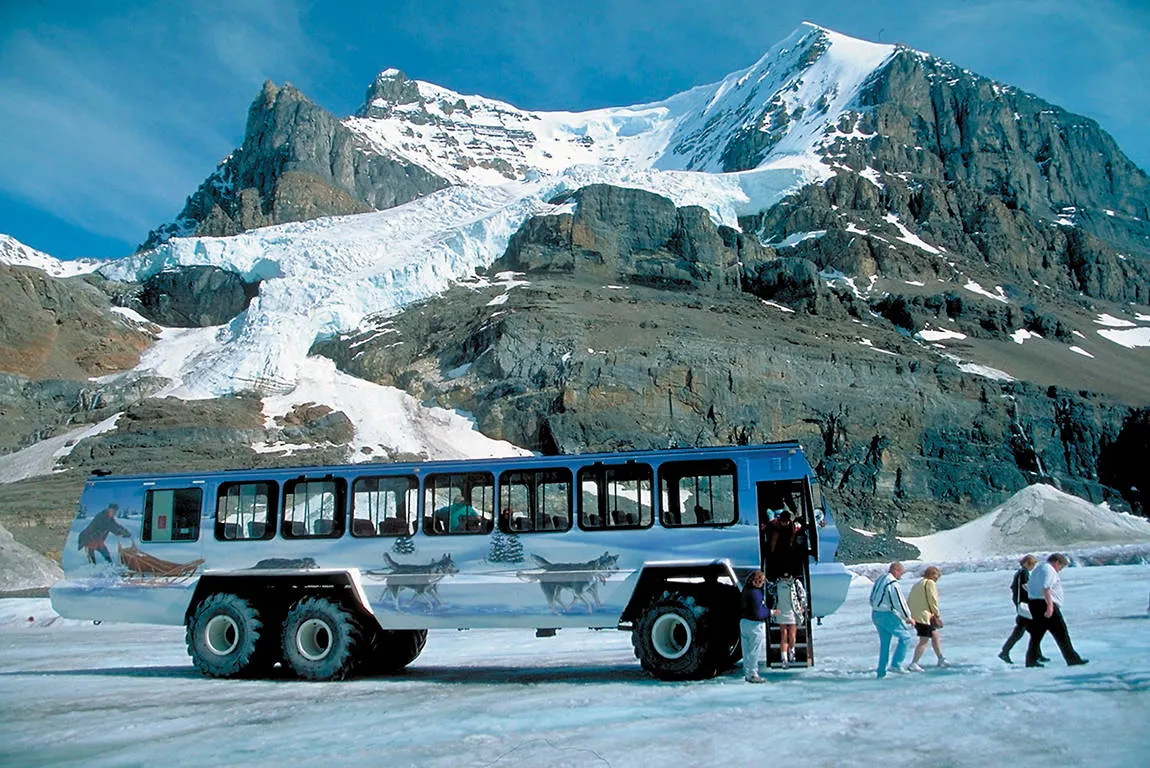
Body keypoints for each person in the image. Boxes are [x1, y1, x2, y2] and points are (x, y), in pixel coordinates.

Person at [1025, 553, 1088, 668]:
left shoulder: (1039, 568)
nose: (1059, 570)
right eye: (1061, 567)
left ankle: (1031, 659)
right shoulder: (1049, 569)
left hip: (1035, 603)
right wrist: (1050, 606)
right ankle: (1072, 659)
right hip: (1045, 604)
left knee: (1037, 634)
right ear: (1057, 562)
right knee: (1061, 633)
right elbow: (1045, 587)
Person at [998, 555, 1049, 664]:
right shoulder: (1023, 573)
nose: (1033, 566)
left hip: (1022, 605)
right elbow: (1026, 587)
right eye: (1032, 564)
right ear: (1027, 563)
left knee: (1030, 631)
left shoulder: (1020, 573)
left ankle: (1036, 654)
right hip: (1025, 606)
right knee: (1026, 632)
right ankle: (1005, 652)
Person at [870, 561, 915, 677]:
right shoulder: (892, 583)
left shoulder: (880, 579)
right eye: (901, 573)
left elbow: (872, 596)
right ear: (896, 571)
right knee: (905, 637)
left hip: (876, 614)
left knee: (885, 643)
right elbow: (899, 602)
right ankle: (896, 664)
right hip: (886, 615)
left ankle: (881, 672)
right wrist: (908, 617)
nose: (901, 576)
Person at [907, 566, 949, 670]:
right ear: (933, 575)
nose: (937, 579)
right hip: (924, 616)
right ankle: (914, 663)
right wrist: (936, 613)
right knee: (924, 639)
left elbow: (909, 600)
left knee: (935, 635)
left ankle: (940, 658)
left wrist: (909, 615)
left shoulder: (917, 584)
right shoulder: (930, 583)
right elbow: (932, 600)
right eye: (937, 577)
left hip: (916, 616)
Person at [740, 570, 775, 683]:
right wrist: (771, 612)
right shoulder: (755, 593)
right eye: (762, 581)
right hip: (754, 624)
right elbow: (759, 613)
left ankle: (747, 672)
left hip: (744, 622)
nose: (763, 583)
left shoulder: (745, 590)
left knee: (746, 650)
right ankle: (753, 674)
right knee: (754, 650)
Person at [769, 571, 807, 668]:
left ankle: (792, 652)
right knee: (783, 634)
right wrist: (768, 583)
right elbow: (771, 591)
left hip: (793, 611)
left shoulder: (795, 582)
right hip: (781, 610)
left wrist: (802, 606)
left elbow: (802, 594)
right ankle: (784, 658)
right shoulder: (777, 582)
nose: (785, 578)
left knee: (792, 634)